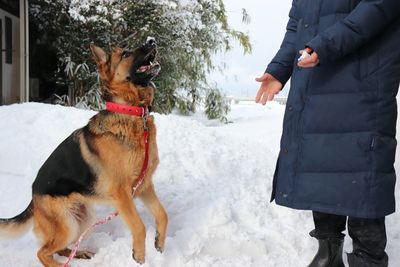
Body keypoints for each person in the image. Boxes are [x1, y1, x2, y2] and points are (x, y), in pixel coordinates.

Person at [255, 0, 400, 266]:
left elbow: (378, 7)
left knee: (361, 174)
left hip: (362, 80)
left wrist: (324, 45)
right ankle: (328, 253)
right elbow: (297, 27)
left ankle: (367, 259)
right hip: (317, 78)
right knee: (319, 164)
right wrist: (279, 68)